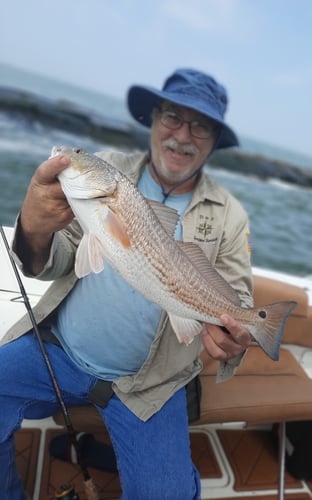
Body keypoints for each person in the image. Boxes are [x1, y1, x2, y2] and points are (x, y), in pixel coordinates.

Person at [0, 68, 254, 499]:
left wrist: (237, 334)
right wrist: (35, 229)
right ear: (154, 119)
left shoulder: (230, 215)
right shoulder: (109, 170)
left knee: (166, 493)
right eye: (172, 116)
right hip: (59, 353)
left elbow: (238, 295)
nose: (182, 135)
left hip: (150, 385)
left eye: (201, 126)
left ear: (213, 141)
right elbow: (60, 259)